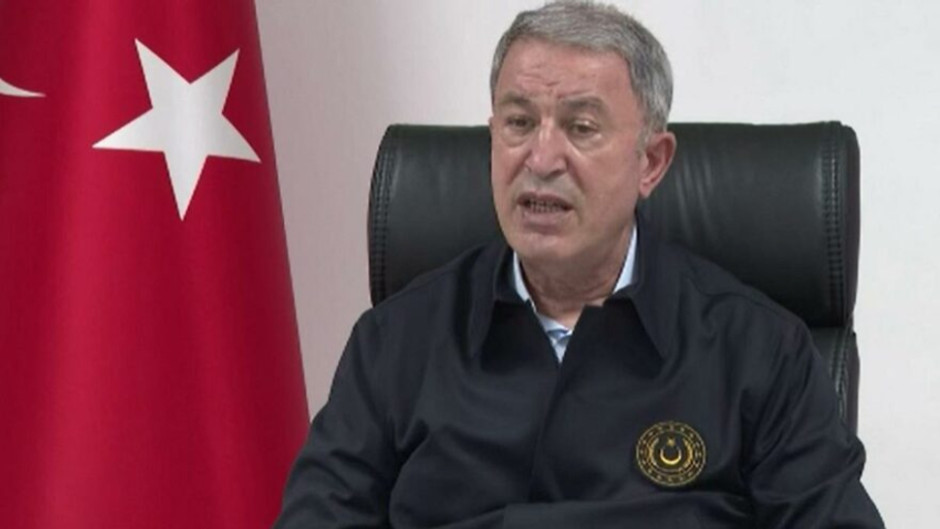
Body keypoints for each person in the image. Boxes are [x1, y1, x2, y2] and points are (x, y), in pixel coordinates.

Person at [275, 2, 884, 528]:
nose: (541, 159)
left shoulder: (758, 350)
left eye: (581, 127)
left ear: (651, 162)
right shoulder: (395, 342)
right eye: (518, 123)